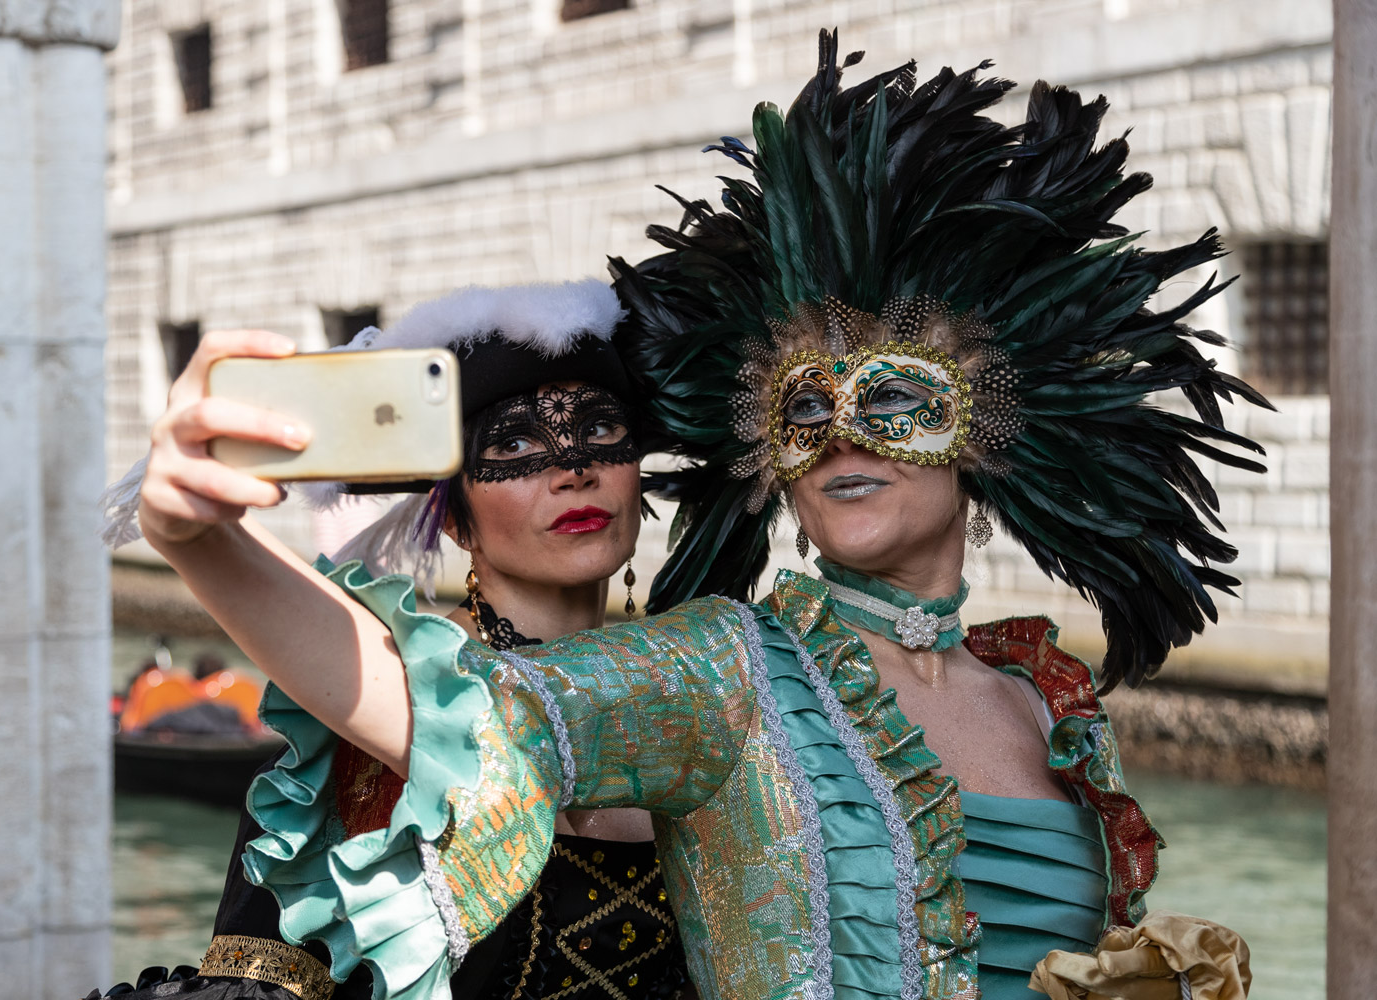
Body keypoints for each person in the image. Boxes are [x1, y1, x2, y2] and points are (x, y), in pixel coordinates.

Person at [121, 33, 1257, 1000]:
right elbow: (457, 713)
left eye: (898, 400)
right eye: (804, 407)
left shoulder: (1054, 707)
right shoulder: (725, 673)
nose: (845, 436)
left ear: (992, 429)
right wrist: (199, 539)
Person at [92, 280, 694, 1000]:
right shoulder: (372, 720)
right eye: (513, 441)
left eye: (600, 429)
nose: (574, 467)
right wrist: (190, 532)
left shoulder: (704, 695)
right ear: (454, 520)